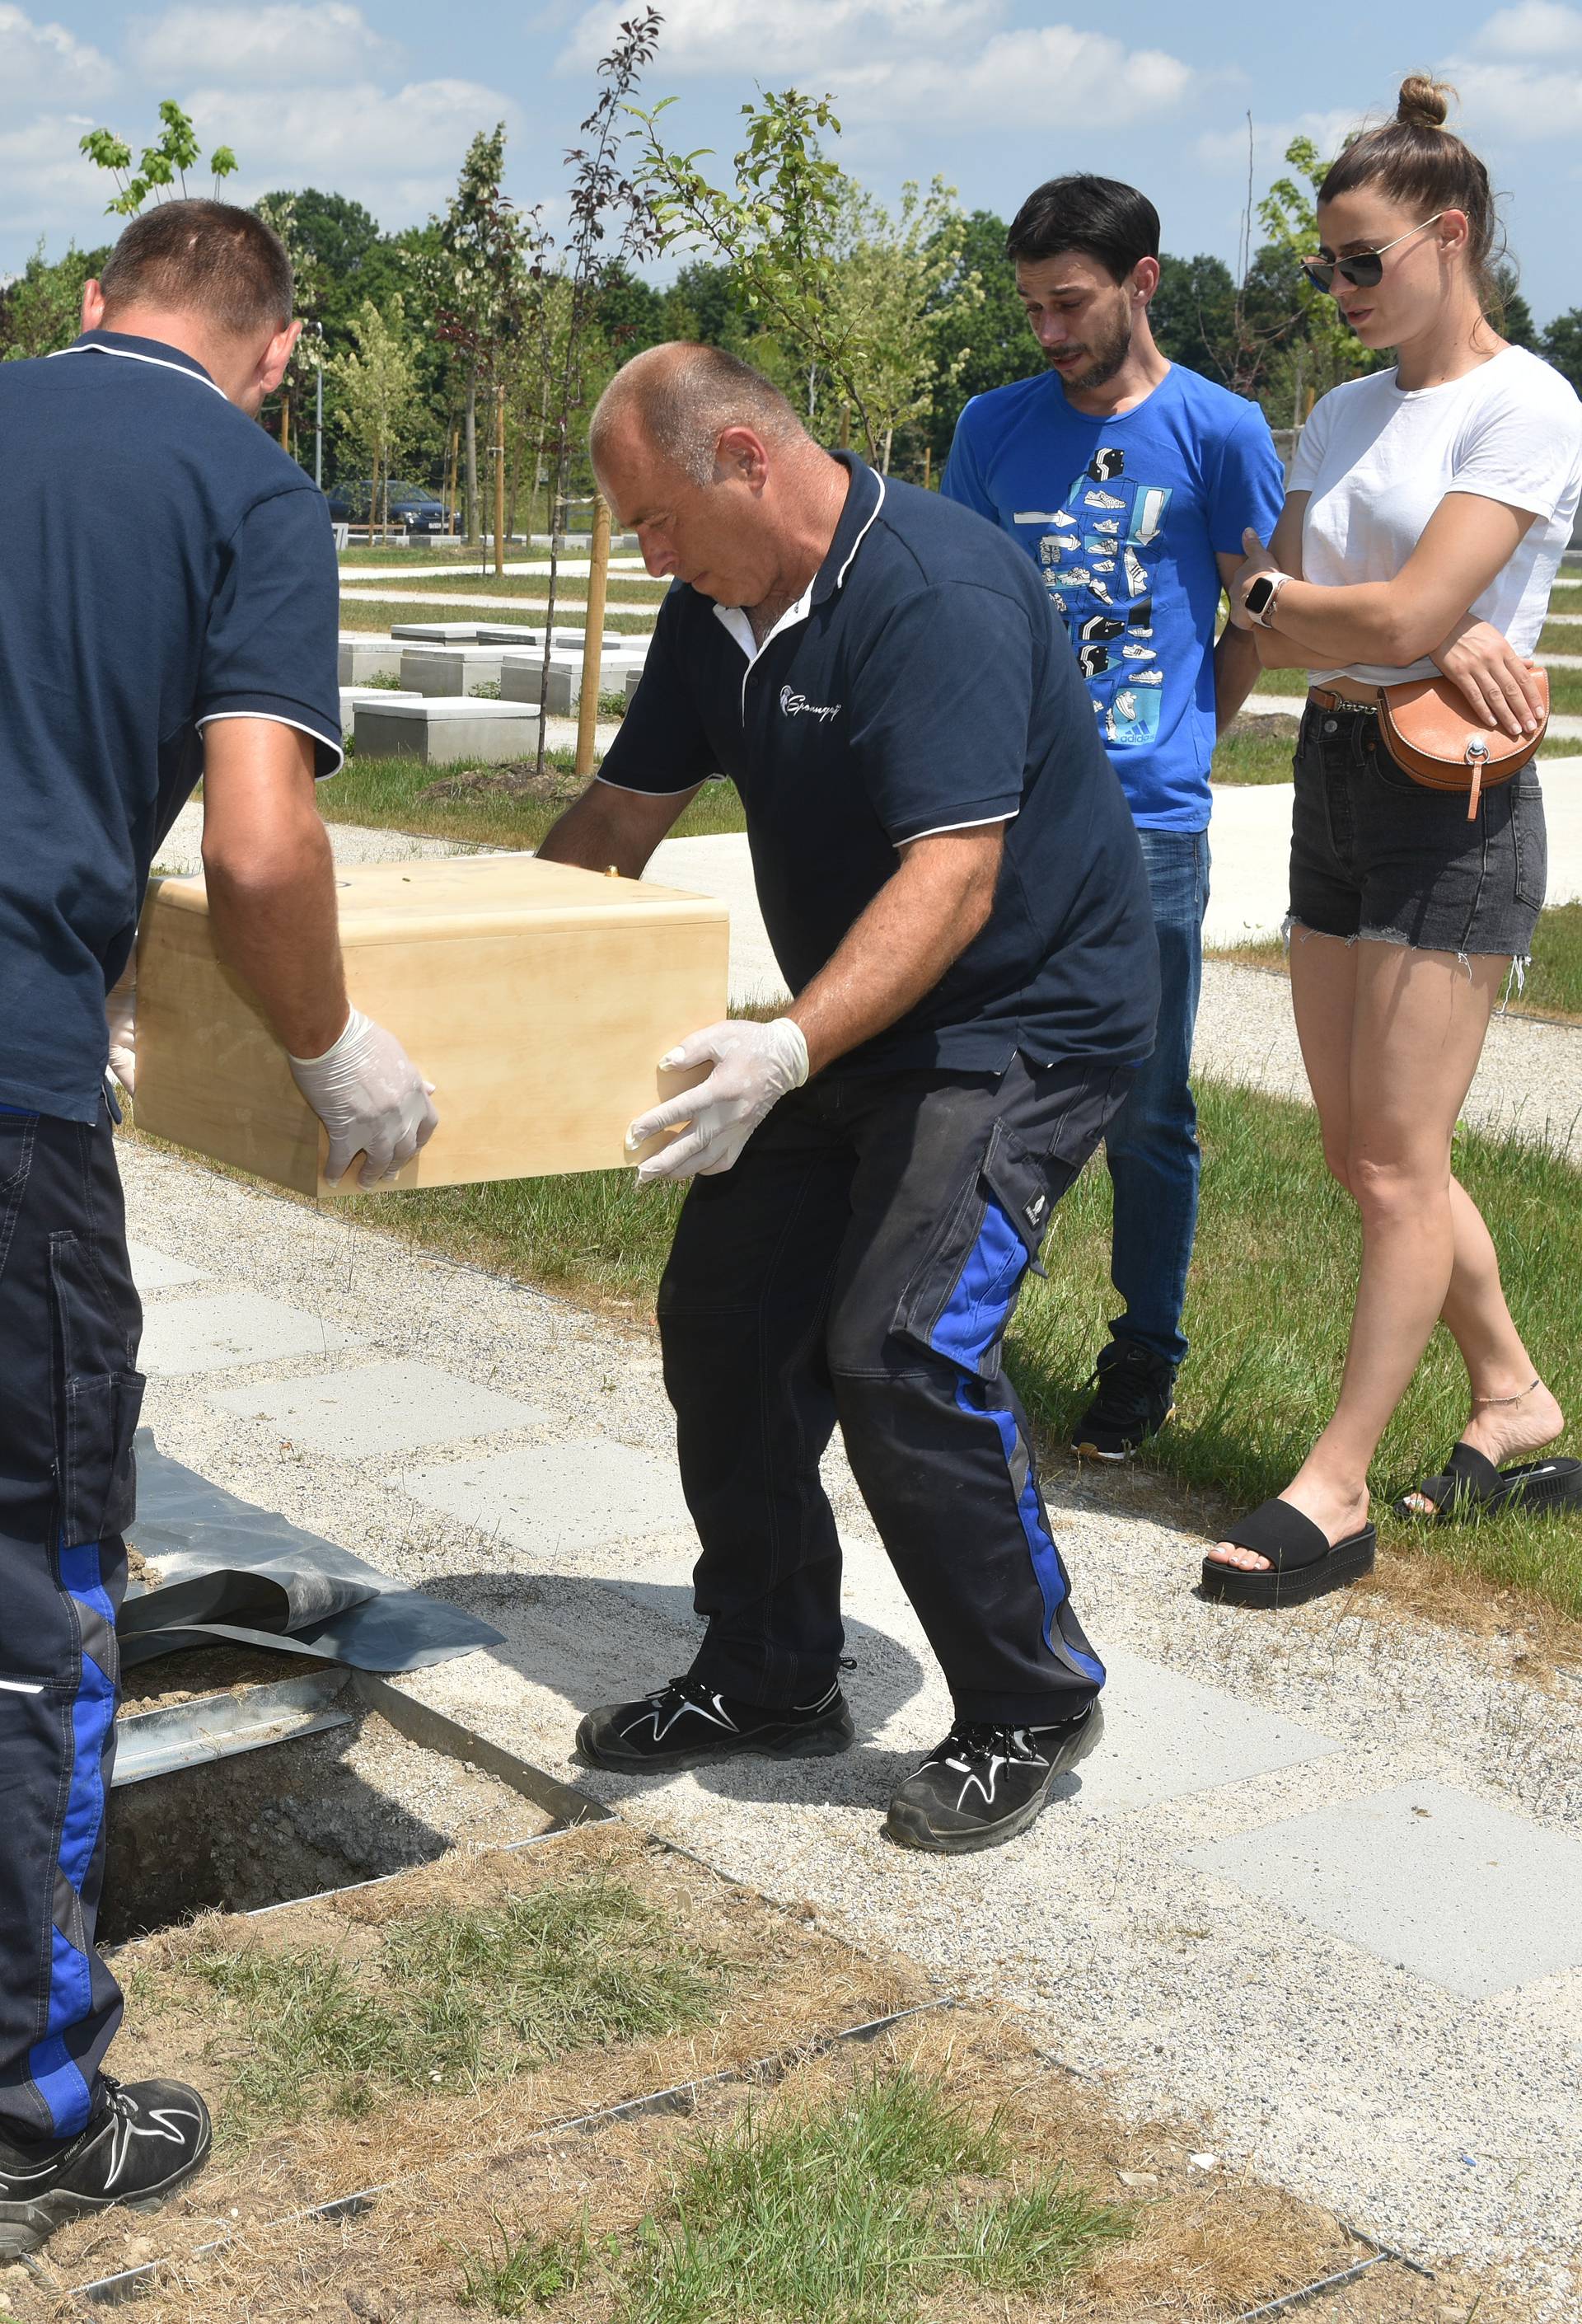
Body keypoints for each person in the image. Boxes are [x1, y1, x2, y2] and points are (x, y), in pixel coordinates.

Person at [538, 343, 1158, 1856]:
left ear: (746, 453)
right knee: (727, 1321)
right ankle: (768, 1671)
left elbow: (954, 879)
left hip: (1024, 1021)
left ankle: (1031, 1694)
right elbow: (621, 817)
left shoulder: (932, 593)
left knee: (900, 1342)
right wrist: (459, 971)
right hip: (855, 1025)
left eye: (658, 521)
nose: (652, 558)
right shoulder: (715, 616)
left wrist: (782, 1051)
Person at [0, 200, 436, 2255]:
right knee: (39, 1563)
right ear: (275, 351)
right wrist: (334, 1049)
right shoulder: (254, 494)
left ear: (90, 308)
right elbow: (262, 841)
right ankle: (30, 2087)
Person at [1205, 77, 1582, 1605]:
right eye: (1325, 268)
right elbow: (1297, 613)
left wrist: (1345, 620)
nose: (1339, 291)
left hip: (1458, 802)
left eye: (1361, 262)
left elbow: (1401, 610)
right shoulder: (1344, 410)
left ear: (1450, 236)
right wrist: (1342, 624)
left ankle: (1337, 1481)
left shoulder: (1529, 401)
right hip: (1339, 775)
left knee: (1399, 1158)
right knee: (1362, 1152)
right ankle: (1516, 1398)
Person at [943, 175, 1285, 1464]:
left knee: (1145, 1105)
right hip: (1006, 817)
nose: (1048, 332)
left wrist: (1187, 735)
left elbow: (1252, 616)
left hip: (1147, 824)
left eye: (1070, 303)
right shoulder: (991, 427)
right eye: (1031, 306)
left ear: (1143, 281)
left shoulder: (1224, 429)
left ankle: (1143, 1349)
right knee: (977, 1081)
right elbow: (964, 612)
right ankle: (959, 1321)